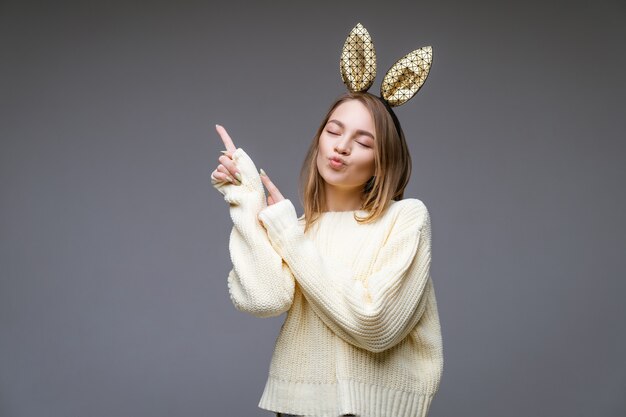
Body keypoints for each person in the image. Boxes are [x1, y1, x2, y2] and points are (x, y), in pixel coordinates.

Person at [210, 24, 443, 417]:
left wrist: (286, 233)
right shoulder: (296, 229)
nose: (342, 146)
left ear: (383, 160)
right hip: (295, 410)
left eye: (364, 141)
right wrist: (247, 201)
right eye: (334, 130)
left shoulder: (406, 219)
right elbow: (266, 299)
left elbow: (376, 326)